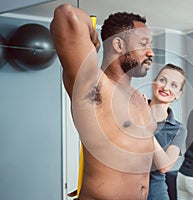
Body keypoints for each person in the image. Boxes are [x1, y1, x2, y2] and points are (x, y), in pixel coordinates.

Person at [50, 4, 156, 200]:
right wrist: (94, 39)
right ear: (118, 45)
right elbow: (66, 14)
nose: (151, 53)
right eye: (143, 44)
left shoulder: (138, 98)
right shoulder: (94, 86)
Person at [147, 64, 187, 200]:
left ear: (178, 95)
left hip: (155, 193)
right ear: (154, 83)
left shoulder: (179, 130)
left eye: (174, 85)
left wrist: (145, 130)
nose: (166, 87)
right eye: (162, 80)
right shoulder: (132, 111)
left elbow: (164, 166)